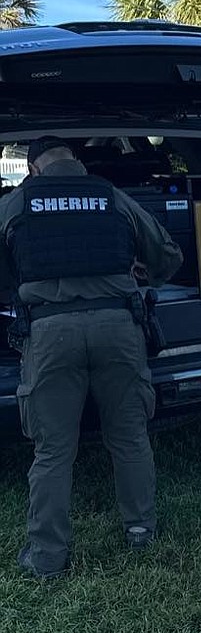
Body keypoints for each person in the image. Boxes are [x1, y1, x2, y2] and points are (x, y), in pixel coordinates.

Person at [0, 135, 182, 578]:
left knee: (53, 450)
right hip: (118, 328)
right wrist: (134, 269)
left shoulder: (16, 203)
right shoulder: (110, 195)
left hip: (49, 334)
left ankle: (46, 556)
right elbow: (167, 256)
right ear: (76, 163)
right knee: (129, 435)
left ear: (34, 169)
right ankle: (141, 530)